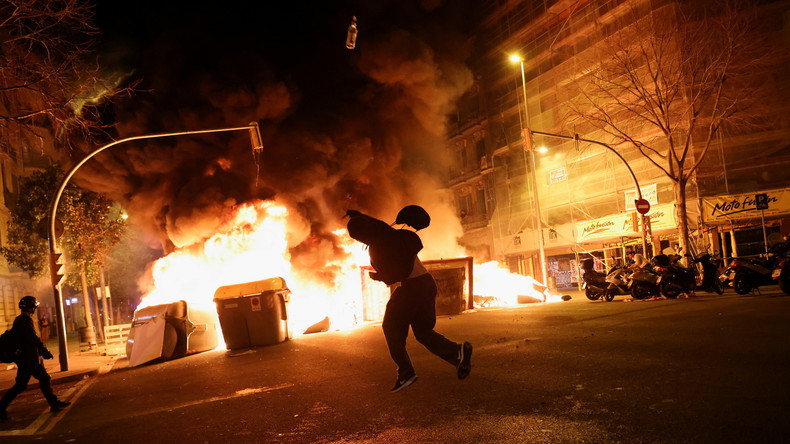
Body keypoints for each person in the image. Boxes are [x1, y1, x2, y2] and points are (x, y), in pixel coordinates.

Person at [345, 205, 473, 392]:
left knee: (390, 327)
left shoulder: (379, 247)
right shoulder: (393, 233)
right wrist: (360, 215)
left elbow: (395, 275)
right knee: (422, 331)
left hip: (411, 288)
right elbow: (379, 226)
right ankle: (457, 353)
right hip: (427, 284)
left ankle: (406, 372)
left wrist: (378, 276)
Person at [0, 296, 71, 421]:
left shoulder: (22, 319)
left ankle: (54, 403)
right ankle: (0, 408)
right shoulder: (24, 320)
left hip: (30, 358)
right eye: (34, 307)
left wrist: (39, 354)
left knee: (44, 378)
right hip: (27, 359)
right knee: (21, 385)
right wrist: (45, 352)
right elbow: (32, 338)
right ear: (32, 307)